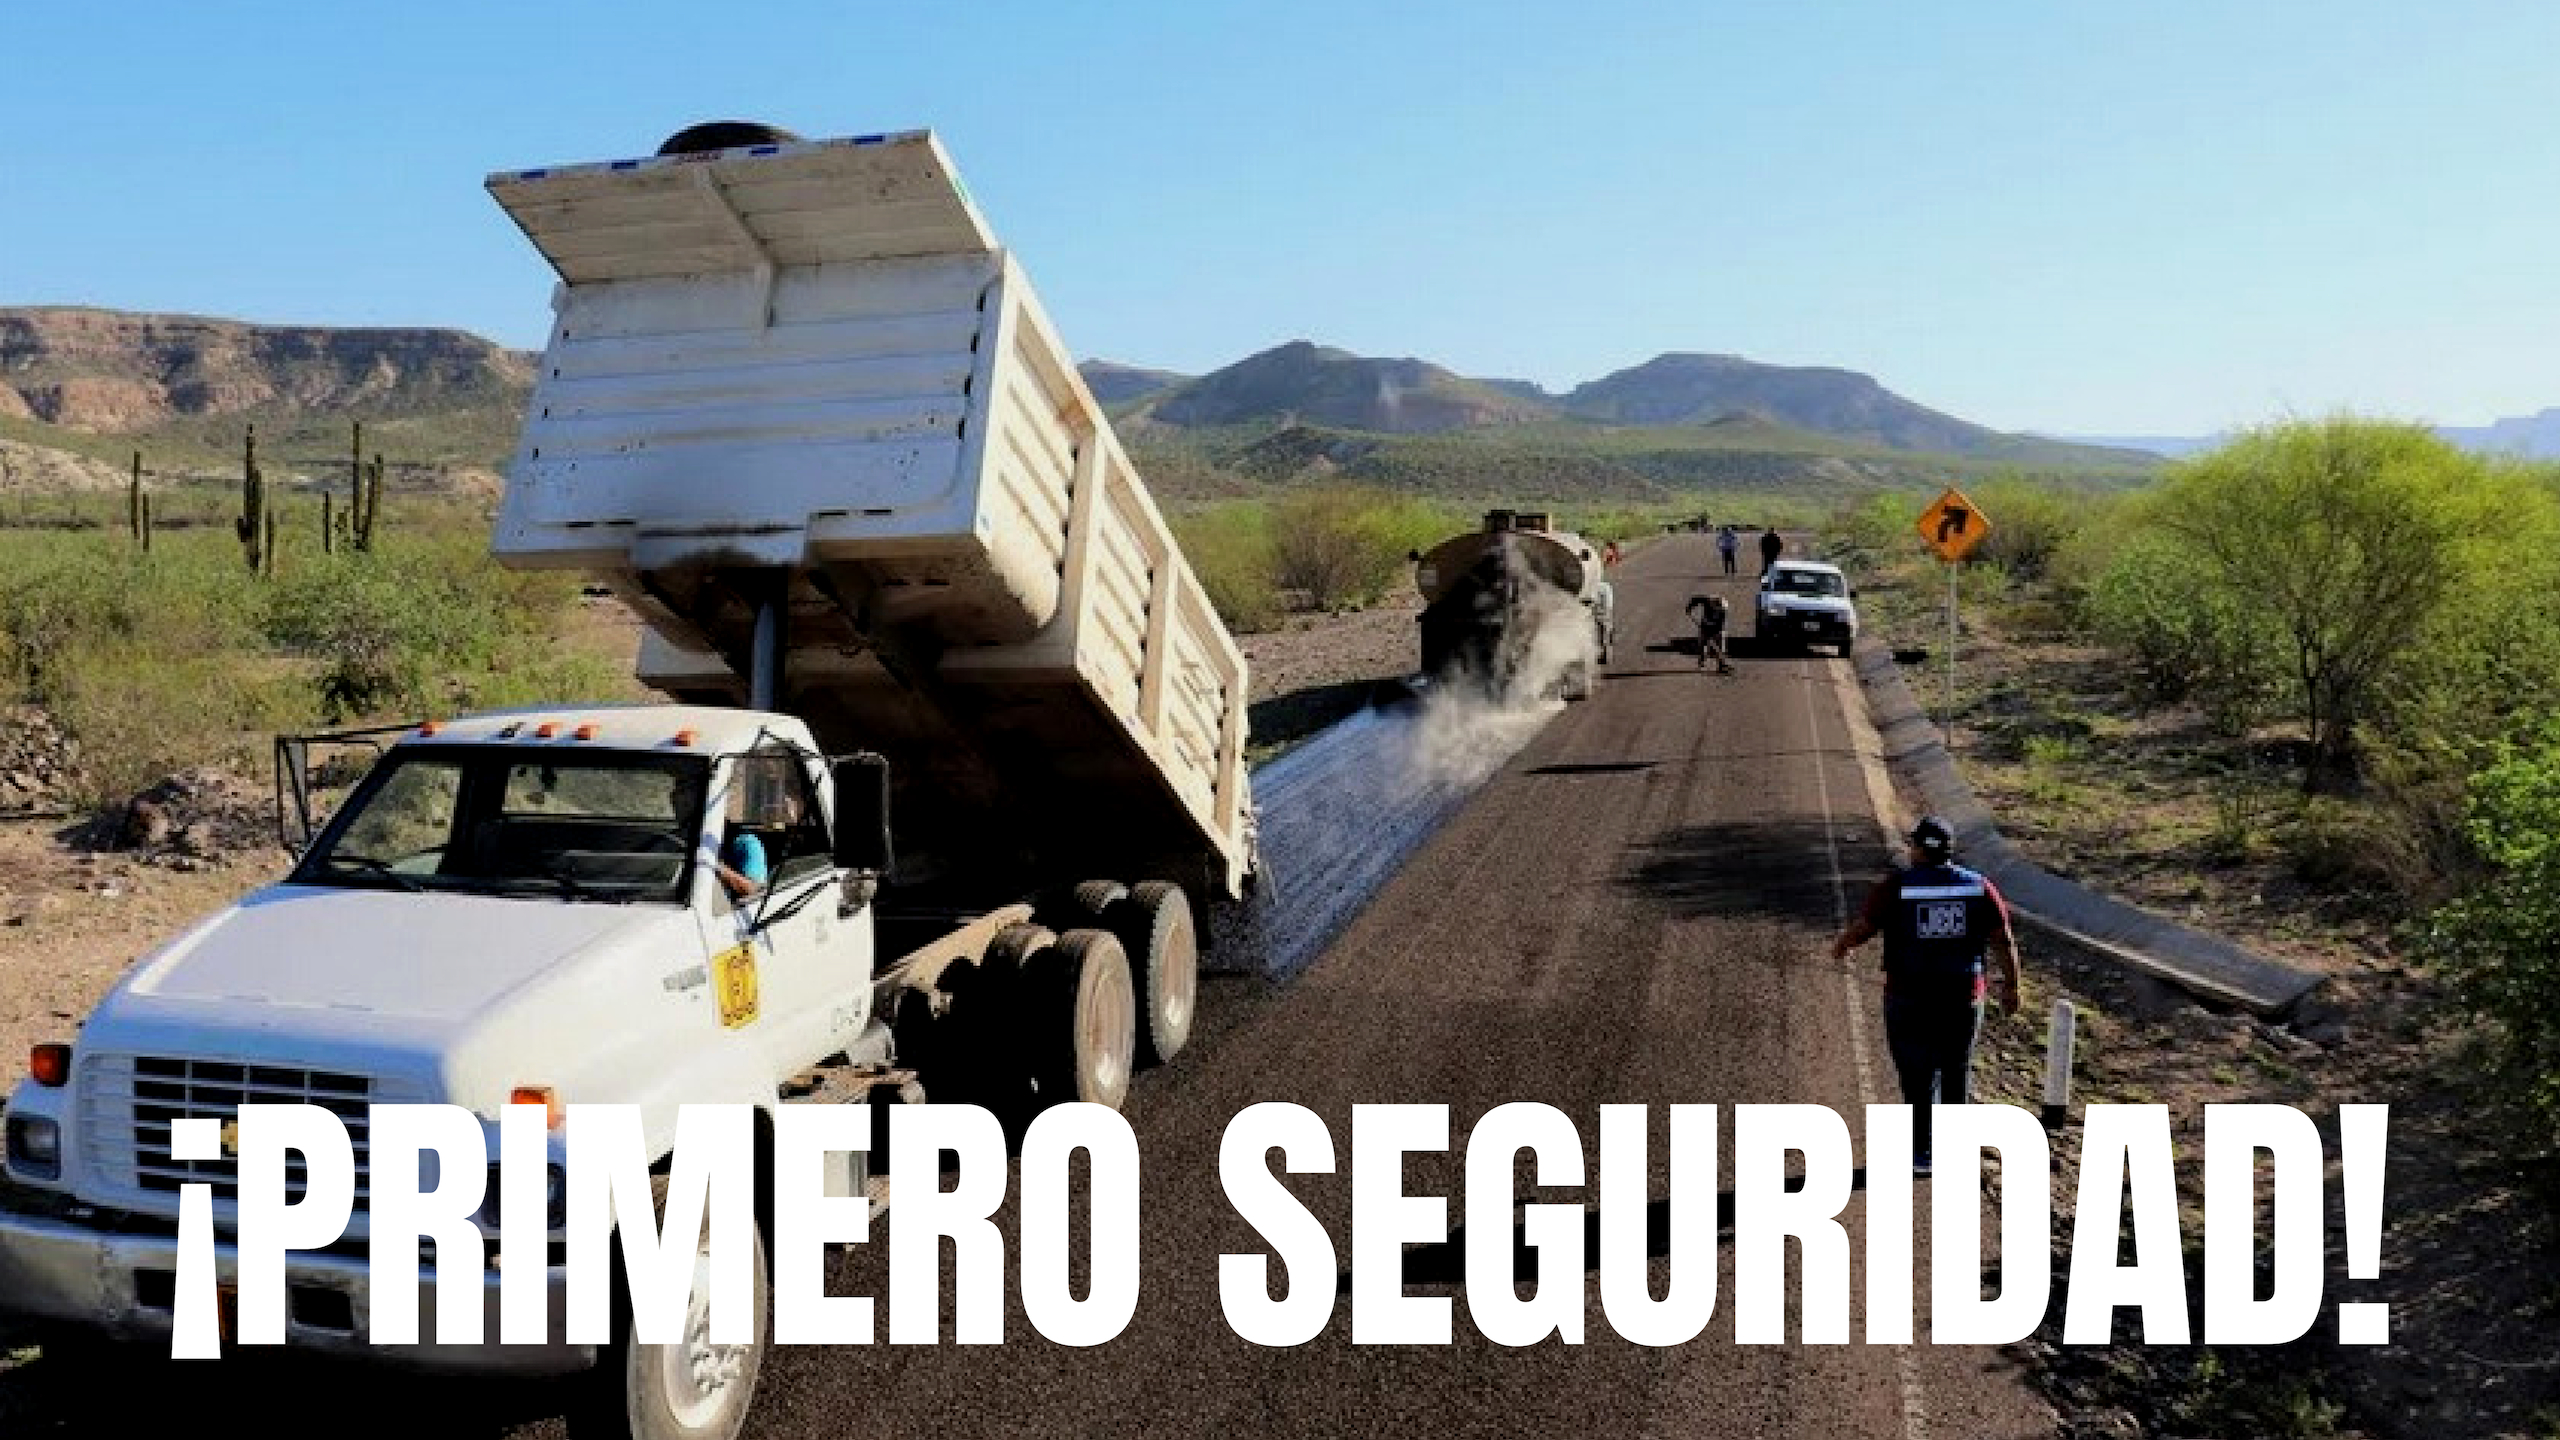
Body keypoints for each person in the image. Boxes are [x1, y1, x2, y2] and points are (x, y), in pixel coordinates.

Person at [1829, 815, 2024, 1177]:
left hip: (1909, 998)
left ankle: (1921, 1150)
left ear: (1918, 848)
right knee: (1956, 1068)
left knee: (1915, 1072)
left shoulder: (1896, 887)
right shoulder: (1978, 887)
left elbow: (1865, 928)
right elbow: (2003, 939)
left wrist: (1842, 945)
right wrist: (2011, 986)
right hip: (1963, 997)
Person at [1685, 591, 1734, 674]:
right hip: (1704, 627)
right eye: (1718, 607)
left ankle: (1721, 665)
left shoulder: (1723, 613)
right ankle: (1702, 660)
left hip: (1717, 629)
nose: (1719, 609)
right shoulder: (1707, 601)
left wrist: (1714, 635)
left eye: (1721, 608)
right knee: (1703, 645)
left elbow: (1720, 626)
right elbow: (1695, 599)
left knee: (1721, 646)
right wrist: (1689, 608)